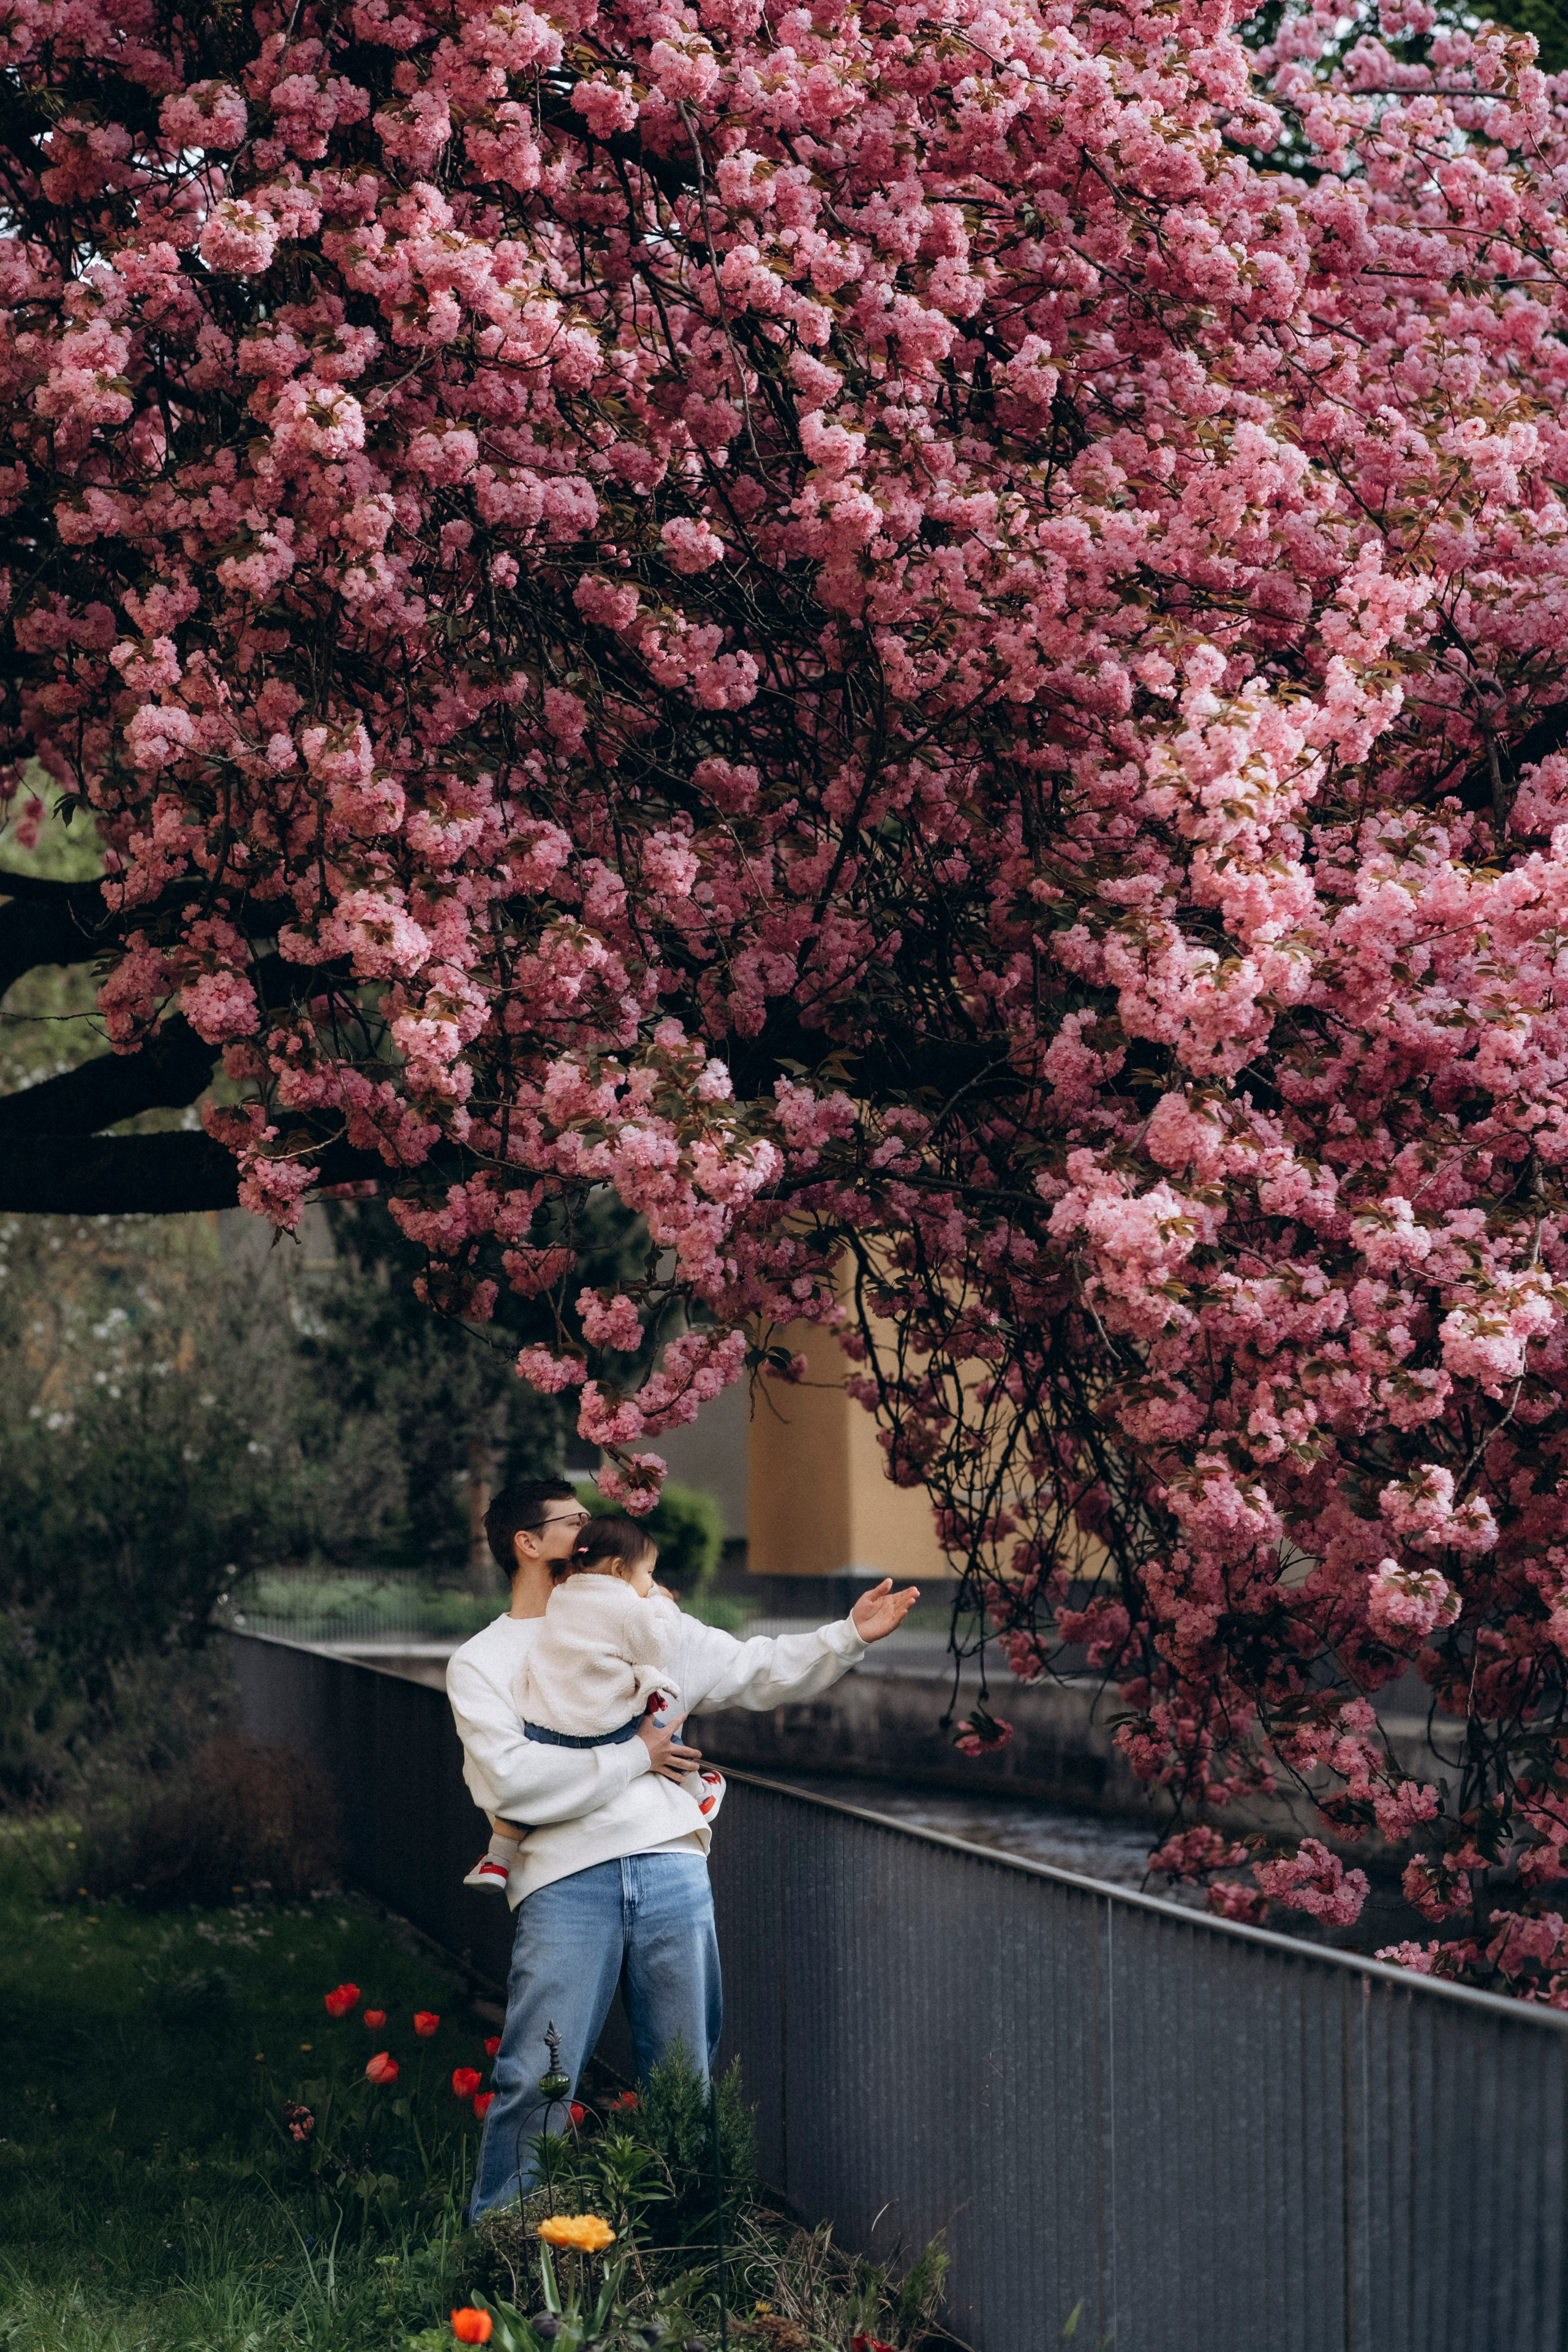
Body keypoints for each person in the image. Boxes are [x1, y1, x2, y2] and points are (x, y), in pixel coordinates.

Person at [447, 1475, 919, 2220]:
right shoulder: (483, 1660)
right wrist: (637, 1755)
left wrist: (848, 1635)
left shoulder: (646, 1619)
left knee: (681, 2079)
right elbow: (512, 1785)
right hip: (563, 1883)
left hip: (671, 1866)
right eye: (573, 1519)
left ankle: (685, 2243)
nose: (592, 1525)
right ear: (528, 1544)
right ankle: (505, 2245)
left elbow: (752, 1667)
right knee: (536, 2074)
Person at [462, 1514, 722, 1893]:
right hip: (610, 1727)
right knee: (664, 1730)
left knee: (524, 1806)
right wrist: (662, 1603)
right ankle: (699, 1794)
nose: (650, 1581)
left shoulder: (562, 1596)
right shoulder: (628, 1606)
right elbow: (656, 1646)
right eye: (648, 1573)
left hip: (550, 1727)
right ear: (619, 1569)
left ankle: (497, 1860)